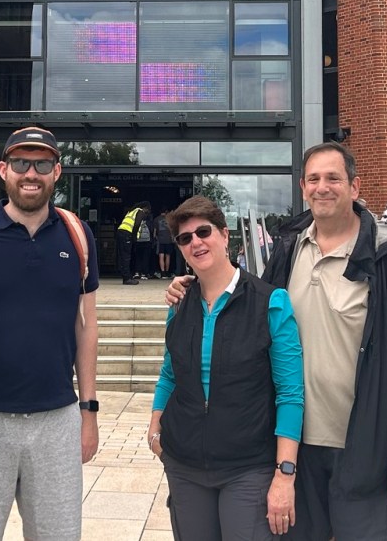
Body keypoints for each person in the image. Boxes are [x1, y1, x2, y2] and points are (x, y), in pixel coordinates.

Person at [167, 142, 387, 541]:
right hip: (296, 450)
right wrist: (195, 286)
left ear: (354, 187)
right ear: (302, 187)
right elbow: (249, 309)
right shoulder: (289, 248)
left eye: (333, 178)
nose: (322, 187)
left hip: (367, 449)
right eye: (313, 179)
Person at [0, 125, 100, 541]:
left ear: (57, 172)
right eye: (21, 163)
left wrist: (89, 411)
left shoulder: (77, 235)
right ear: (3, 170)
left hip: (56, 420)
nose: (31, 173)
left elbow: (86, 327)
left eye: (42, 165)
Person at [148, 195, 304, 539]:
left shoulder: (270, 302)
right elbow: (170, 373)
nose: (195, 242)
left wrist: (285, 473)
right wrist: (155, 429)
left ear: (224, 235)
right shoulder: (179, 304)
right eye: (185, 238)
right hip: (185, 465)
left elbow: (290, 393)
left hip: (247, 467)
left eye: (203, 232)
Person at [117, 201, 149, 284]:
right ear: (145, 208)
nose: (148, 212)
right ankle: (127, 279)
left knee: (123, 256)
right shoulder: (140, 211)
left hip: (121, 232)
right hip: (127, 233)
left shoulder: (132, 211)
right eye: (148, 210)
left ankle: (126, 276)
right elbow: (137, 224)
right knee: (126, 256)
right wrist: (134, 237)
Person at [155, 209, 177, 278]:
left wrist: (156, 238)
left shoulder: (156, 219)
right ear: (166, 211)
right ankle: (167, 272)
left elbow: (154, 232)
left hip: (160, 240)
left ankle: (163, 273)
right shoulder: (169, 219)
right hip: (168, 240)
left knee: (161, 256)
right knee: (168, 256)